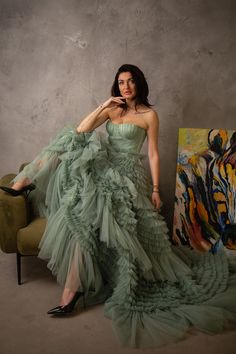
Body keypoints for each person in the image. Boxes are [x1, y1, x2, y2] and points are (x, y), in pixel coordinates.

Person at [1, 64, 236, 348]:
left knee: (93, 204)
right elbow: (81, 129)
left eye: (131, 81)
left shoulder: (149, 115)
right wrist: (103, 105)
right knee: (68, 143)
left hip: (128, 174)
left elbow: (152, 153)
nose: (125, 87)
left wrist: (154, 189)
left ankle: (70, 292)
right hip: (104, 165)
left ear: (139, 84)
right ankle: (24, 182)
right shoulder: (113, 109)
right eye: (121, 82)